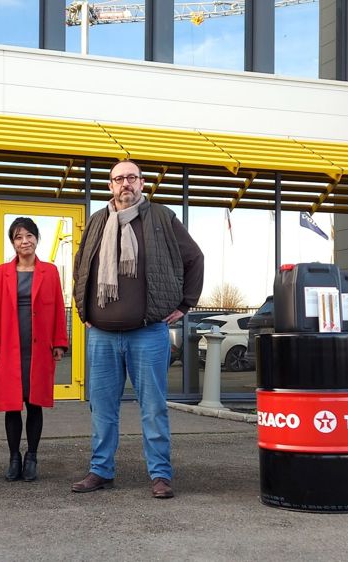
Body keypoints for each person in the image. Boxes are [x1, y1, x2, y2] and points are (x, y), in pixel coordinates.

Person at [70, 159, 203, 499]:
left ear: (142, 183)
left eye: (131, 177)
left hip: (148, 332)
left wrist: (184, 304)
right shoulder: (98, 220)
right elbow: (81, 265)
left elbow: (195, 258)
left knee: (153, 407)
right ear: (110, 185)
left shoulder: (161, 217)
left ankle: (160, 475)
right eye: (118, 179)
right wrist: (84, 309)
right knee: (101, 407)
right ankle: (101, 470)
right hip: (101, 333)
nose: (125, 184)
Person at [0, 217, 69, 482]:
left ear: (37, 239)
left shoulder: (50, 272)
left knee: (34, 404)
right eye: (19, 237)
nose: (25, 241)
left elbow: (57, 309)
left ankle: (31, 456)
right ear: (13, 242)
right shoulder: (1, 273)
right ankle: (13, 458)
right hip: (9, 348)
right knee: (12, 406)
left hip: (39, 348)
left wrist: (59, 342)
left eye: (29, 236)